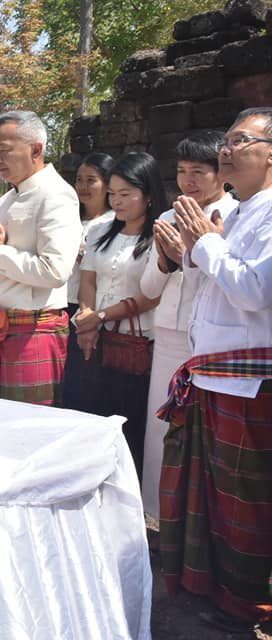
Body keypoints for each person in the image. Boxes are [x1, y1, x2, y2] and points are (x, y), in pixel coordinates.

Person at [156, 108, 272, 634]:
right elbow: (219, 280)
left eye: (241, 140)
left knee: (247, 502)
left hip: (248, 382)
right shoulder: (242, 212)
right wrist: (187, 252)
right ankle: (221, 593)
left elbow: (254, 291)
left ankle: (250, 607)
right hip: (215, 374)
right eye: (226, 140)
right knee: (219, 500)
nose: (226, 149)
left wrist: (204, 242)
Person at [138, 133, 237, 522]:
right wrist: (165, 262)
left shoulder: (232, 216)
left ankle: (198, 520)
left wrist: (190, 257)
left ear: (221, 173)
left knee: (204, 431)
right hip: (169, 333)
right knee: (160, 427)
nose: (188, 181)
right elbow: (148, 288)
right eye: (182, 171)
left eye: (198, 171)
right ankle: (156, 514)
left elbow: (228, 286)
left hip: (212, 339)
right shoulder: (167, 217)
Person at [0, 110, 80, 404]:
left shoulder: (56, 195)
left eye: (5, 151)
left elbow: (55, 271)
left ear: (36, 150)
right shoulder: (7, 198)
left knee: (30, 423)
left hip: (32, 330)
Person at [74, 152, 166, 478]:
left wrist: (100, 316)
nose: (117, 201)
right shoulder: (101, 230)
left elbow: (151, 296)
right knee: (92, 415)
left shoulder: (159, 235)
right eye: (113, 193)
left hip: (135, 345)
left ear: (148, 194)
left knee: (130, 421)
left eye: (126, 194)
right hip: (96, 339)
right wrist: (87, 320)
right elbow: (88, 279)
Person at [62, 153, 114, 410]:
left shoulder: (115, 223)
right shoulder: (66, 218)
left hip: (91, 309)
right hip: (61, 303)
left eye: (91, 180)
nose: (83, 186)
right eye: (79, 179)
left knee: (85, 378)